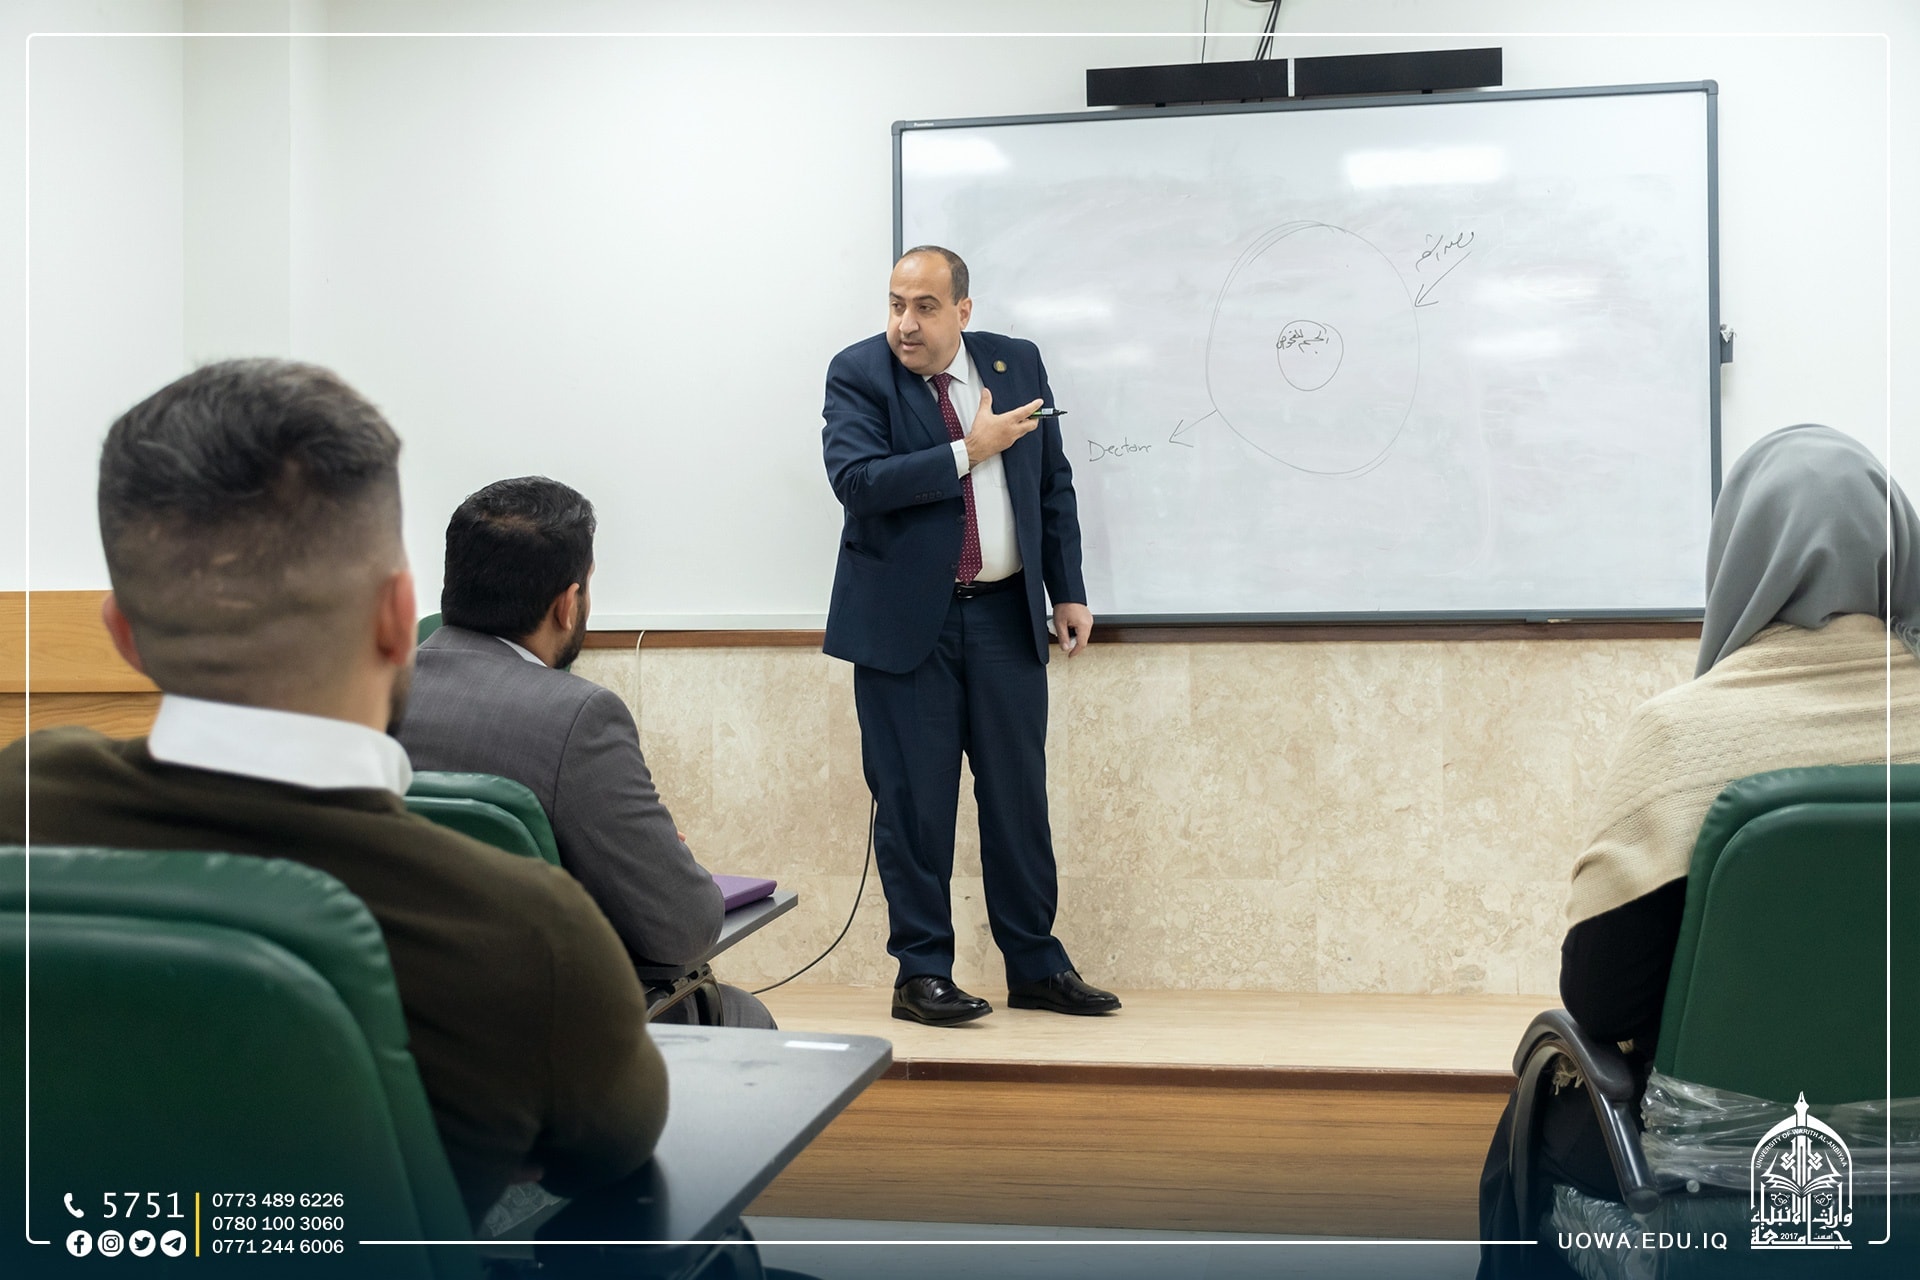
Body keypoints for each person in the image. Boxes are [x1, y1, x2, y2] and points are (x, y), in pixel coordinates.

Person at [0, 360, 668, 1224]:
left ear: (124, 636)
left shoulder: (21, 797)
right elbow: (612, 1155)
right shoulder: (528, 932)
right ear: (397, 618)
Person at [1476, 423, 1920, 1278]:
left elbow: (1602, 1000)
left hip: (1707, 1174)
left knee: (1530, 1120)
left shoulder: (1680, 738)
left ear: (1739, 557)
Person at [820, 244, 1119, 1025]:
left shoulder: (1015, 364)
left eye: (924, 307)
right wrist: (969, 451)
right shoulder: (858, 374)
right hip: (905, 628)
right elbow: (857, 482)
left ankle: (1036, 965)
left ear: (963, 310)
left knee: (1018, 799)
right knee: (915, 805)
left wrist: (1068, 589)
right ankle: (922, 973)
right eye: (895, 305)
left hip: (1002, 615)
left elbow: (1051, 481)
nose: (905, 324)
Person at [397, 476, 773, 1029]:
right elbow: (684, 928)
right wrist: (663, 860)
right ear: (567, 605)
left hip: (393, 1019)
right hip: (546, 1037)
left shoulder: (367, 697)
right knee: (743, 1015)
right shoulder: (578, 717)